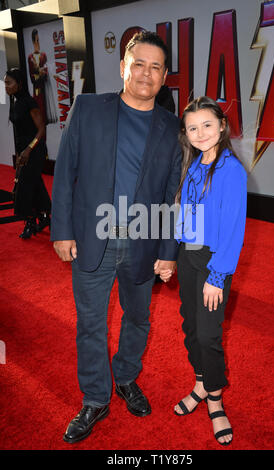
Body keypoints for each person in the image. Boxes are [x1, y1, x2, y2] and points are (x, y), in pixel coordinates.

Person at [51, 31, 181, 444]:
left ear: (163, 78)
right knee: (90, 325)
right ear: (123, 67)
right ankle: (95, 398)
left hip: (143, 240)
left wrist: (168, 252)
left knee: (138, 318)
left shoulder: (172, 127)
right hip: (93, 238)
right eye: (138, 64)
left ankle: (126, 378)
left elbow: (171, 195)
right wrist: (62, 230)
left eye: (155, 67)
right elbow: (66, 170)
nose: (146, 73)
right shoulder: (88, 108)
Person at [174, 96, 247, 446]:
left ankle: (215, 400)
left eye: (206, 125)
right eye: (192, 127)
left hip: (214, 261)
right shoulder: (194, 164)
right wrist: (172, 254)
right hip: (187, 257)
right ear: (185, 134)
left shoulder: (231, 169)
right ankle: (201, 381)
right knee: (190, 325)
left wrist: (218, 275)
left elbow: (233, 228)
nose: (200, 132)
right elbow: (184, 215)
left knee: (208, 335)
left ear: (221, 126)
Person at [4, 68, 51, 239]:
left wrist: (28, 150)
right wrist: (19, 154)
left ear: (20, 84)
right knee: (35, 185)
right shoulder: (15, 102)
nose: (6, 86)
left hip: (35, 151)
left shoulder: (29, 102)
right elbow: (19, 133)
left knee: (25, 189)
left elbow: (41, 129)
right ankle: (45, 217)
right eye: (5, 82)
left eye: (9, 82)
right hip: (24, 153)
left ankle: (30, 222)